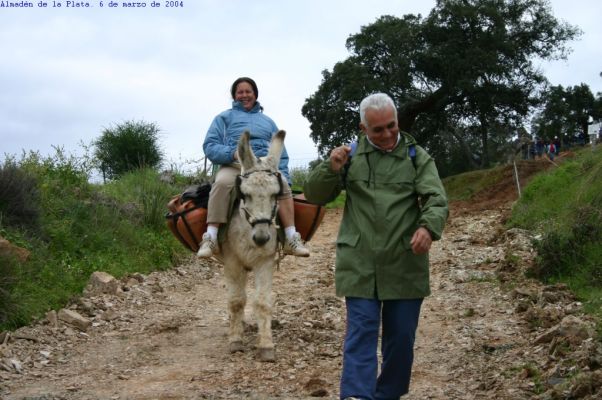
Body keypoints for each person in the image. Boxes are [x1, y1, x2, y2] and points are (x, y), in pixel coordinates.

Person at [303, 93, 448, 400]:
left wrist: (427, 227)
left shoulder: (416, 156)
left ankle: (387, 395)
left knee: (400, 340)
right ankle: (357, 395)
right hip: (360, 260)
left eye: (391, 126)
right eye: (377, 129)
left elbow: (436, 198)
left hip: (404, 261)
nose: (386, 134)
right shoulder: (349, 156)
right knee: (362, 332)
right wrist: (330, 168)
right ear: (363, 127)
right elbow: (315, 196)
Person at [197, 77, 309, 258]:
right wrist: (232, 153)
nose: (244, 95)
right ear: (234, 96)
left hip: (265, 165)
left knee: (284, 187)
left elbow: (282, 152)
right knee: (222, 183)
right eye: (240, 92)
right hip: (235, 163)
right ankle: (211, 237)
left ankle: (291, 238)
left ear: (255, 94)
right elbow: (210, 145)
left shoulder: (268, 121)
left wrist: (284, 176)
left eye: (248, 91)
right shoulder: (223, 118)